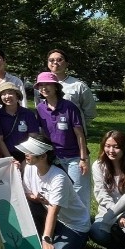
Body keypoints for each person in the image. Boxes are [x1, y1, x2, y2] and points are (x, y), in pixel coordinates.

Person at [17, 136, 90, 249]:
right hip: (52, 218)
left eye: (30, 152)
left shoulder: (58, 178)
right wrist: (34, 198)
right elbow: (27, 193)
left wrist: (47, 239)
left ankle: (79, 239)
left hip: (73, 224)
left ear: (43, 156)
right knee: (28, 204)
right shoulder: (29, 168)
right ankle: (46, 238)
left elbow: (53, 211)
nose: (26, 154)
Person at [34, 71, 91, 209]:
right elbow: (43, 135)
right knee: (59, 191)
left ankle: (84, 225)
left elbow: (80, 134)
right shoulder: (40, 108)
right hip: (55, 157)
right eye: (41, 85)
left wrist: (83, 159)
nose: (44, 88)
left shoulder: (69, 107)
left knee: (78, 191)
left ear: (56, 87)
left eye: (48, 84)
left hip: (75, 157)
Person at [45, 49, 97, 131]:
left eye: (59, 60)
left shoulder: (79, 86)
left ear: (66, 64)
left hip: (73, 135)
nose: (55, 62)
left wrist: (78, 126)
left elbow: (90, 112)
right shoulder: (41, 86)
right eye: (51, 60)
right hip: (48, 133)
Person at [0, 81, 39, 161]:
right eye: (3, 94)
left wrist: (27, 158)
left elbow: (33, 136)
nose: (7, 96)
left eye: (10, 93)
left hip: (27, 154)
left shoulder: (28, 114)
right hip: (6, 154)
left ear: (17, 95)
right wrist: (10, 159)